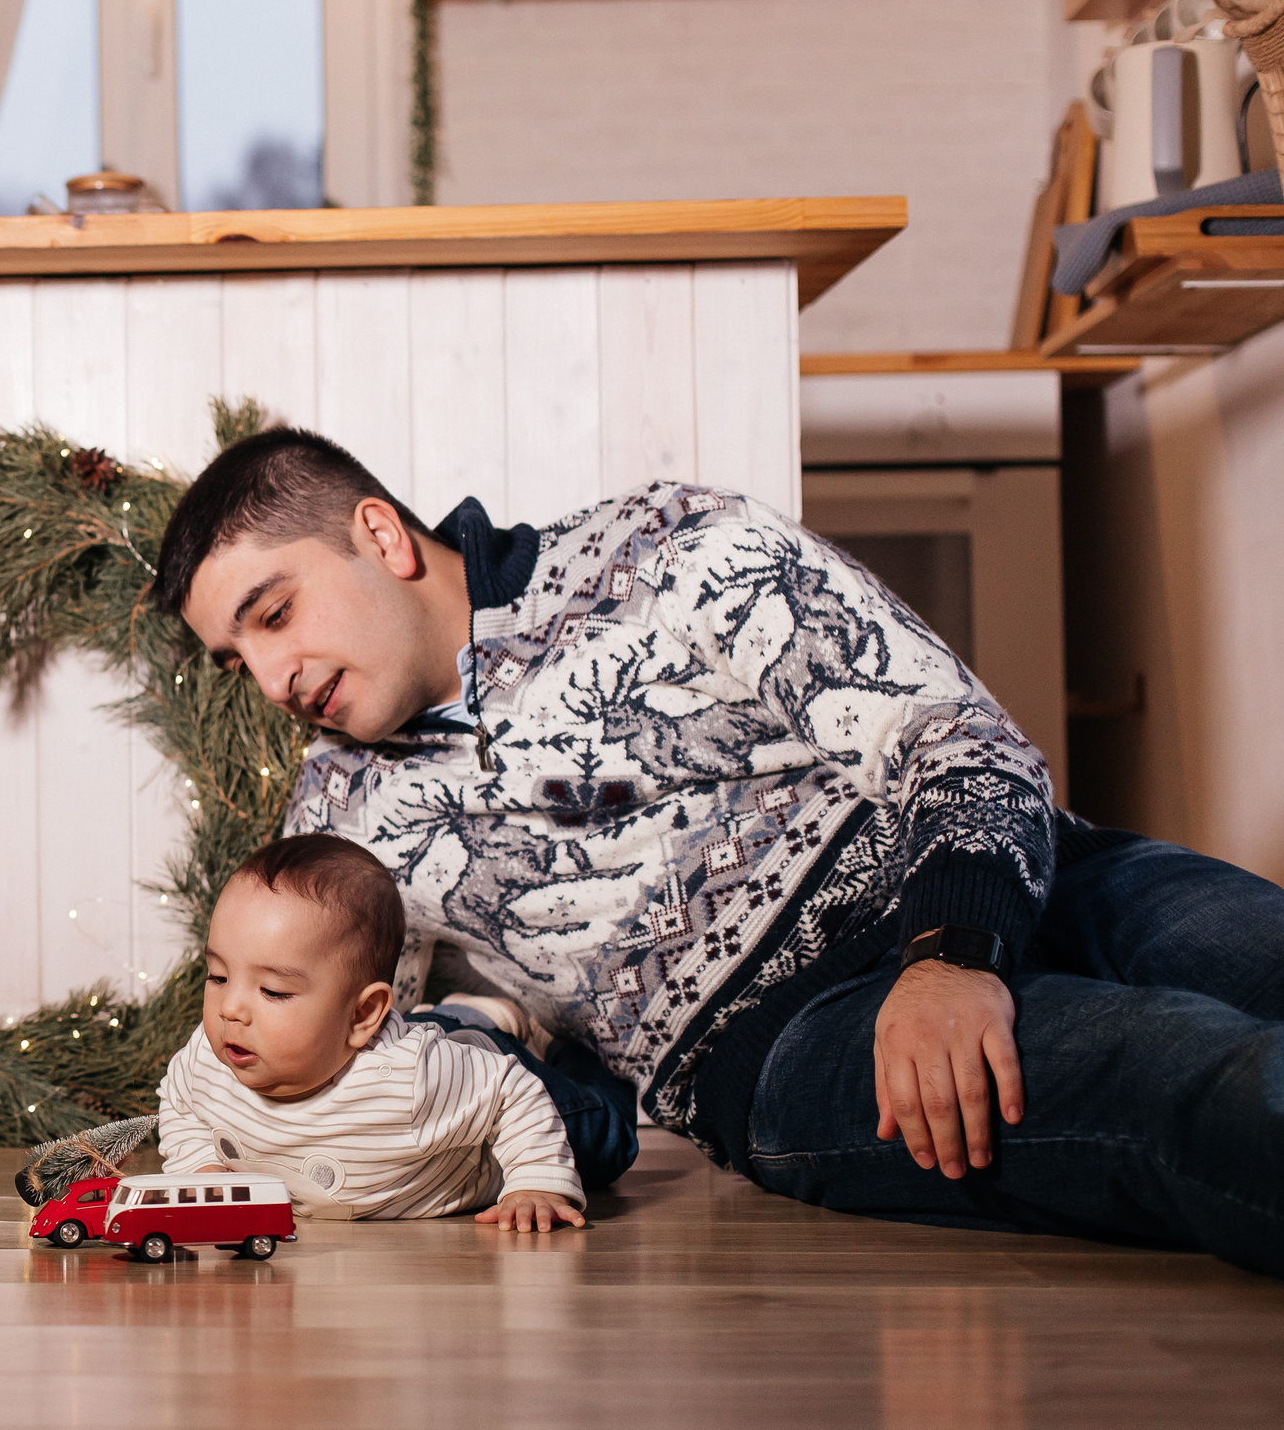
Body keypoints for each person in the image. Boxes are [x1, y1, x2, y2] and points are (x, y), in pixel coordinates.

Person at [152, 427, 1284, 1276]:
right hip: (788, 1039)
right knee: (1175, 1073)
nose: (272, 677)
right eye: (234, 658)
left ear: (380, 536)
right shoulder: (338, 825)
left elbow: (950, 734)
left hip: (1020, 875)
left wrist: (952, 954)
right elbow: (357, 1055)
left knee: (1258, 957)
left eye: (274, 612)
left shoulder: (669, 549)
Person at [157, 832, 589, 1232]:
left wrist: (534, 1181)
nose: (230, 1008)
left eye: (272, 990)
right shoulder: (206, 1061)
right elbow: (180, 1102)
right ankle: (464, 1014)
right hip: (419, 1040)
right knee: (440, 1027)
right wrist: (200, 1170)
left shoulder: (411, 1079)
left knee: (596, 1132)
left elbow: (511, 1091)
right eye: (218, 977)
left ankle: (529, 1034)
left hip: (491, 1087)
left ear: (362, 1014)